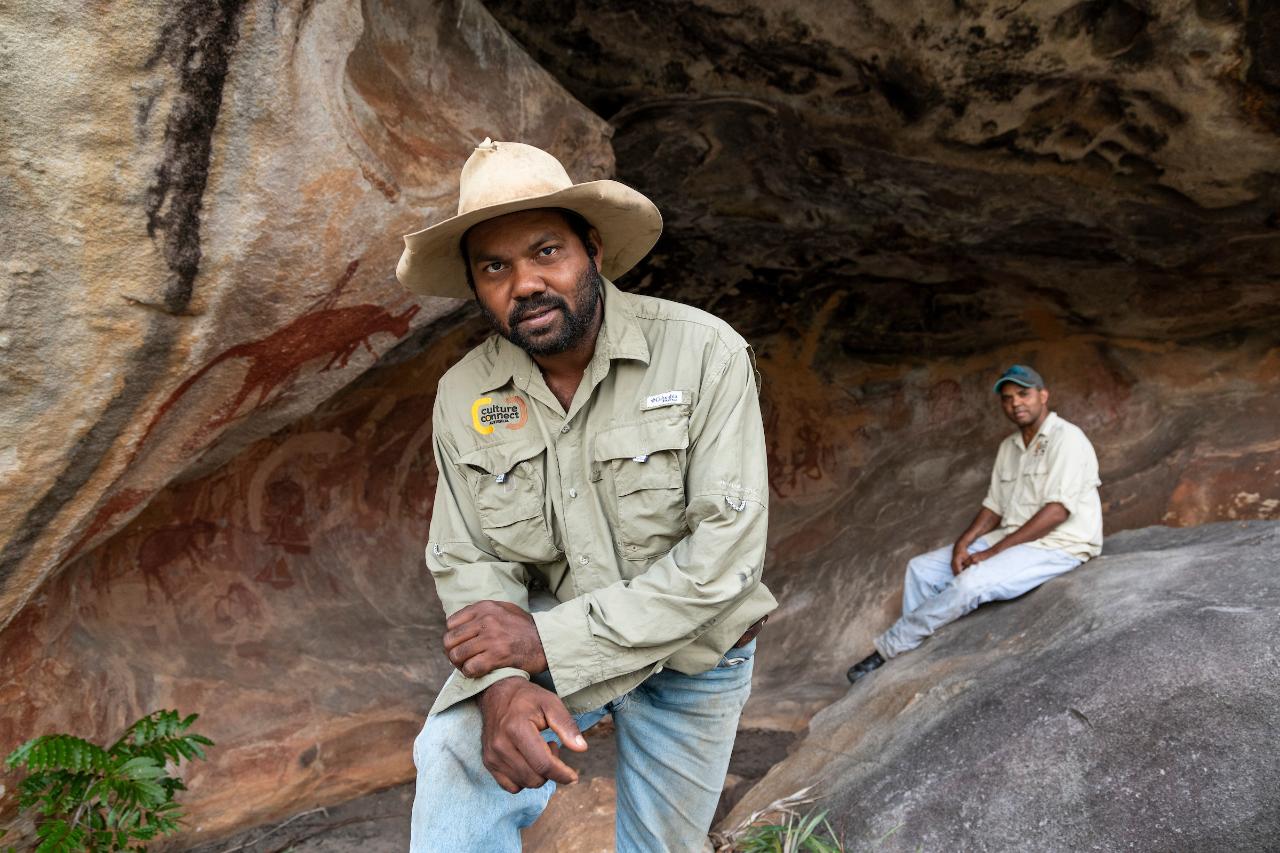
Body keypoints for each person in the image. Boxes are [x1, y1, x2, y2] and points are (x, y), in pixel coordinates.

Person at [396, 138, 776, 852]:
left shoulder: (704, 353)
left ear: (592, 250)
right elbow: (470, 560)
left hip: (693, 656)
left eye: (547, 252)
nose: (526, 284)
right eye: (495, 267)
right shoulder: (464, 396)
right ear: (476, 286)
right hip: (547, 652)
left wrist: (544, 640)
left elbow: (724, 559)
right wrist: (505, 680)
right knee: (453, 748)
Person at [846, 365, 1103, 683]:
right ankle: (916, 654)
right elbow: (993, 506)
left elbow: (1056, 513)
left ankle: (888, 652)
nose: (1016, 403)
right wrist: (963, 545)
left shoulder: (1067, 438)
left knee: (971, 583)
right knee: (921, 569)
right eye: (1007, 398)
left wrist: (990, 553)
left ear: (1043, 395)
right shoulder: (1010, 447)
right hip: (1013, 537)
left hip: (1060, 544)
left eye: (1024, 394)